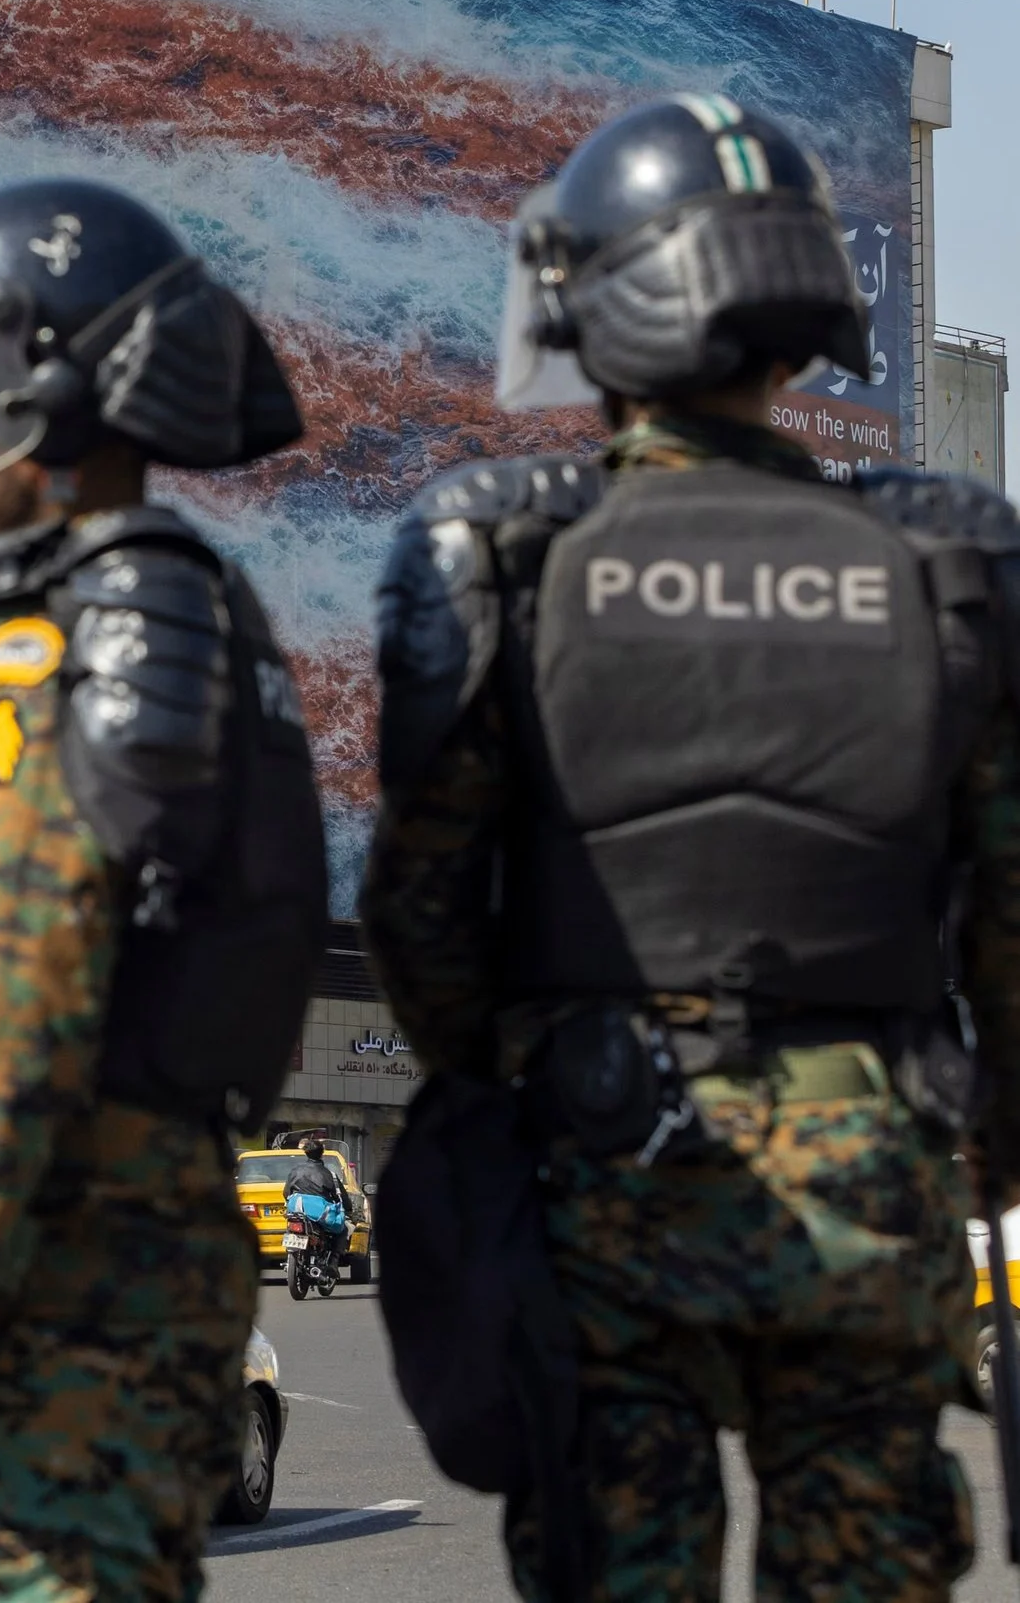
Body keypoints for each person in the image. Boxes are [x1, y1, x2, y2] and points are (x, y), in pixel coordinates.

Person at [365, 93, 1020, 1598]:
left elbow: (420, 903)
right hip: (877, 1163)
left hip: (606, 1167)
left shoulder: (502, 547)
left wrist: (499, 1080)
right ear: (801, 324)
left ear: (592, 312)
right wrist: (997, 1126)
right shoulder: (947, 554)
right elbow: (1012, 911)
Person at [0, 180, 332, 1601]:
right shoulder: (174, 604)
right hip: (119, 1240)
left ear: (52, 410)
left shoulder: (34, 634)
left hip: (38, 1266)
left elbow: (11, 947)